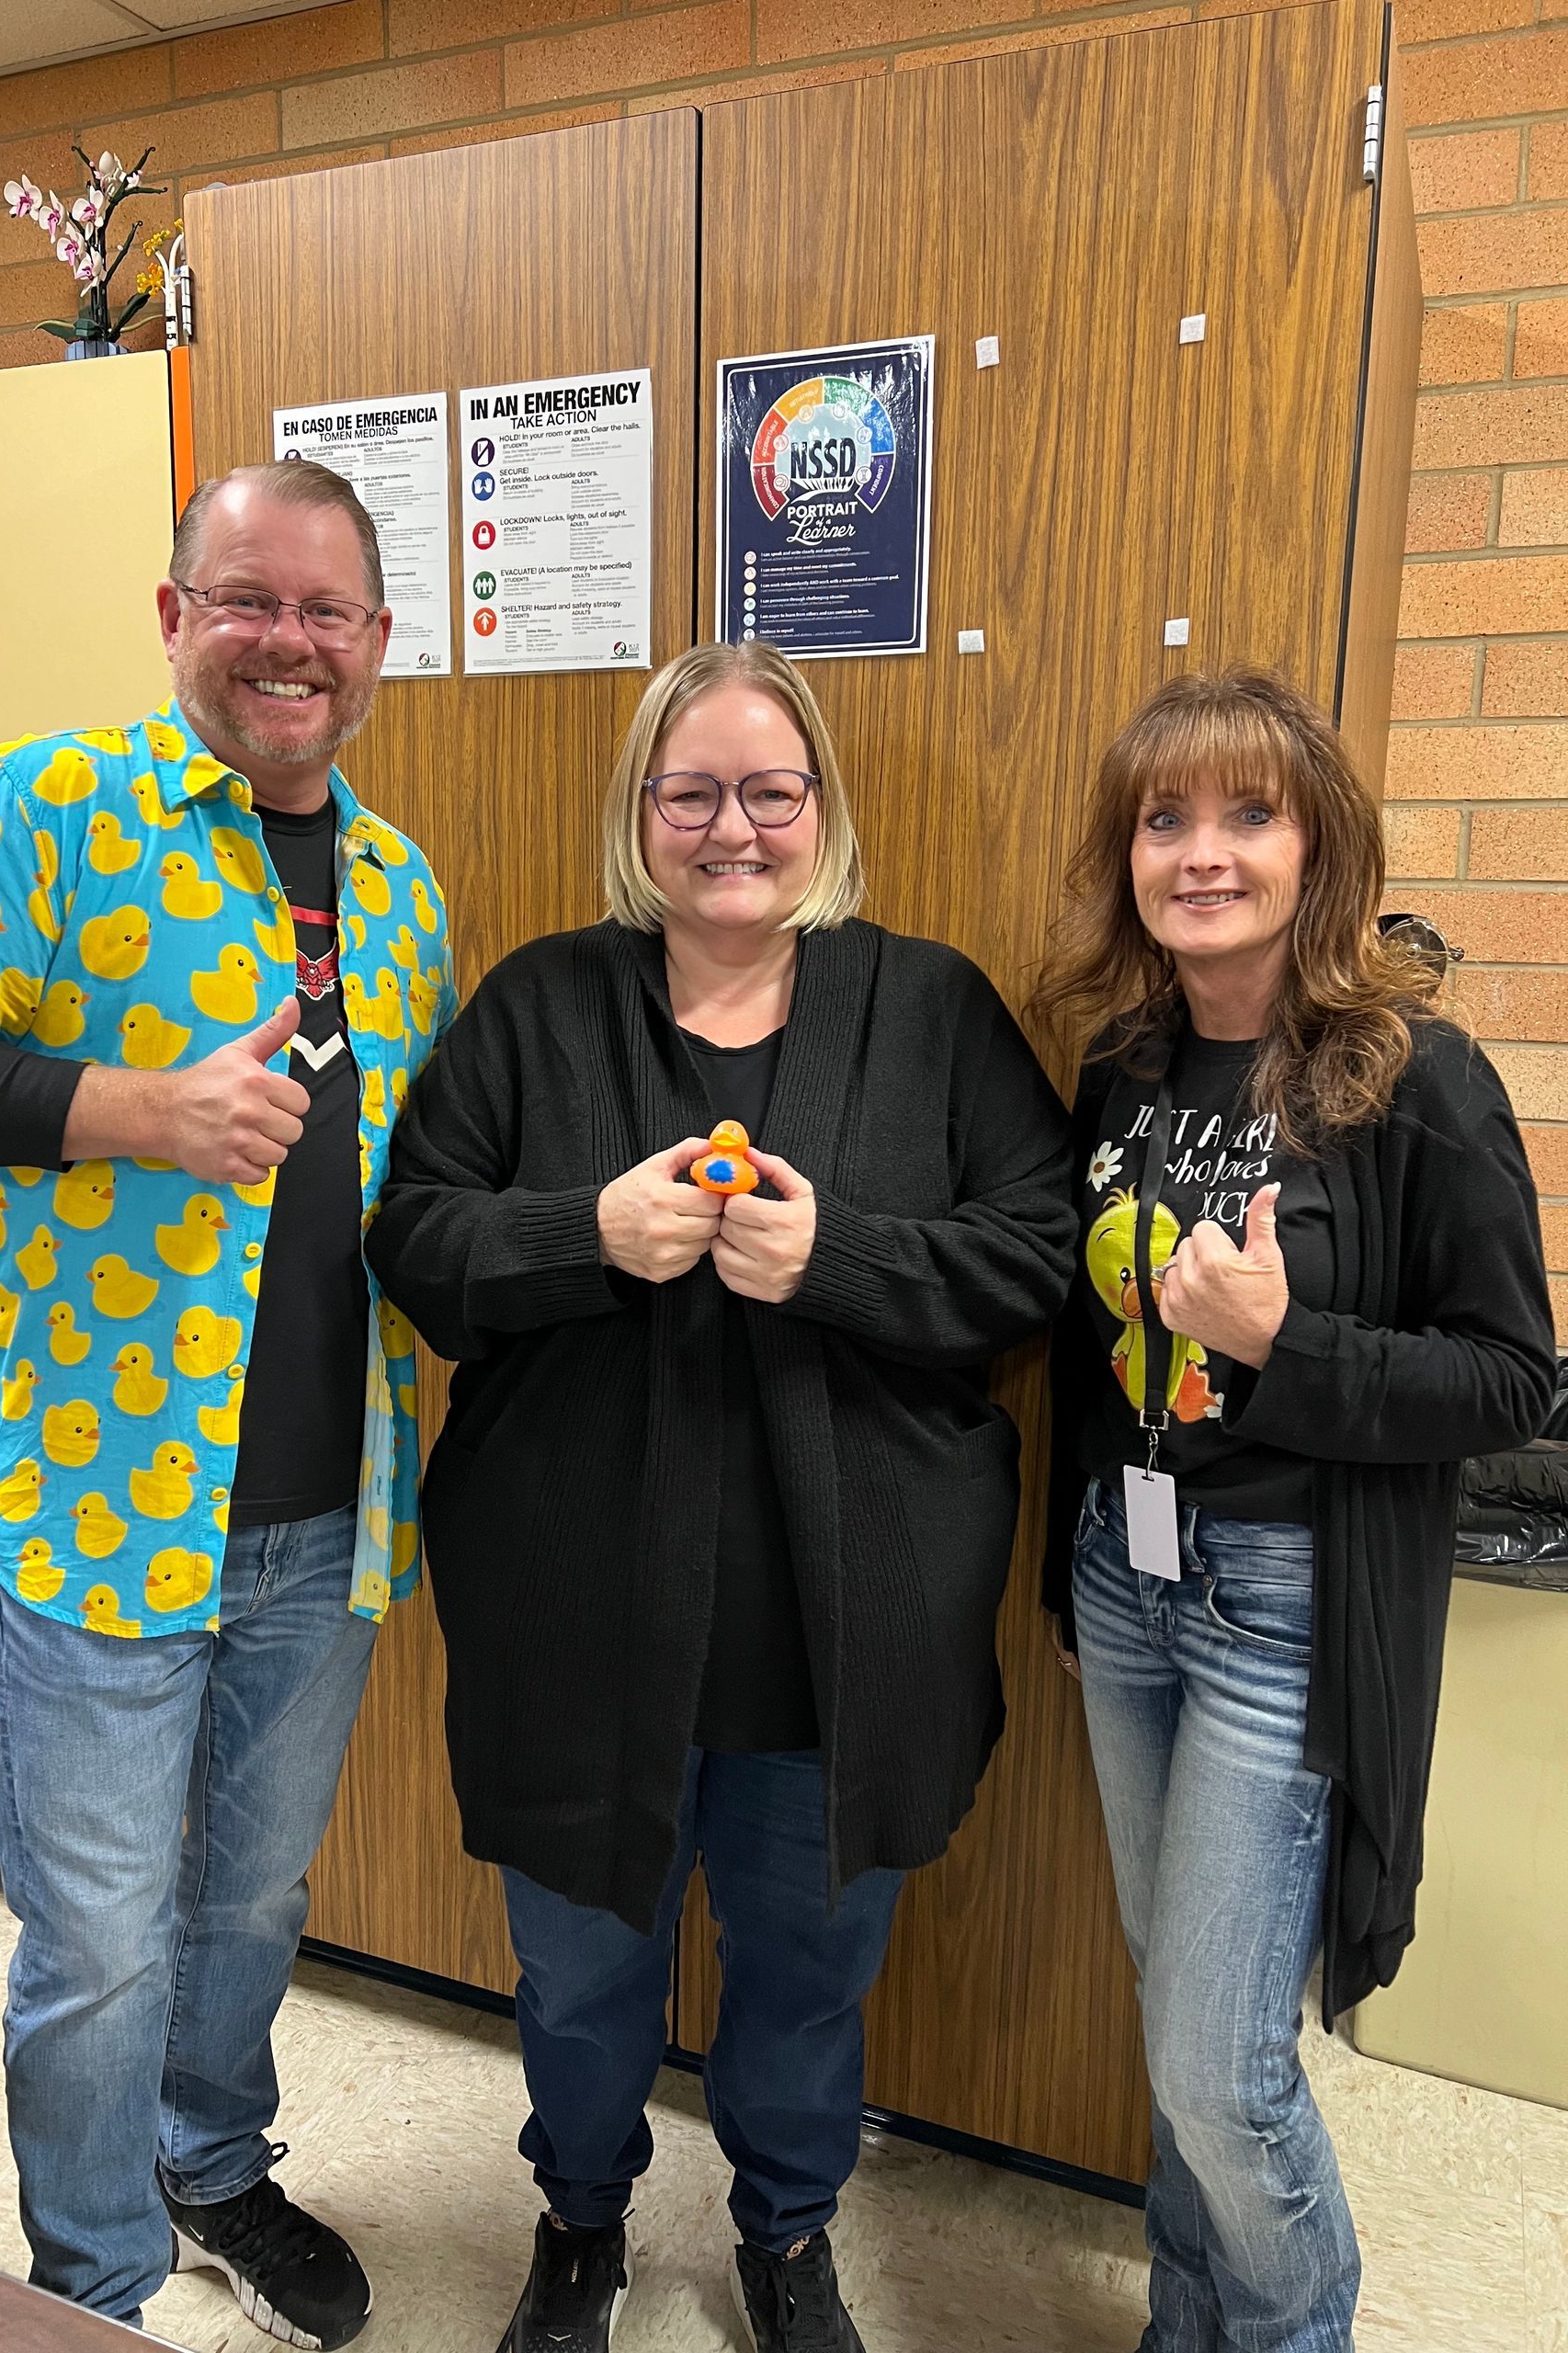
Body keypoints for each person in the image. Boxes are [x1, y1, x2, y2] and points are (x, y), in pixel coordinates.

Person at [0, 461, 455, 2347]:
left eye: (328, 611)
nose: (289, 641)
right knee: (93, 1942)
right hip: (109, 1502)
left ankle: (213, 2157)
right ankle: (90, 2285)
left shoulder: (400, 891)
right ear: (177, 614)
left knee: (252, 1903)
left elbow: (403, 1197)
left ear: (377, 647)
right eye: (249, 597)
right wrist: (129, 1107)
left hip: (327, 1507)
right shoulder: (52, 812)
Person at [369, 640, 1074, 2353]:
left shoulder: (931, 1008)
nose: (732, 828)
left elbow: (1038, 1254)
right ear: (642, 813)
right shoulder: (542, 1004)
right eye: (692, 793)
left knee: (808, 1977)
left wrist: (839, 1257)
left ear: (819, 809)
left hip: (844, 1637)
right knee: (585, 1979)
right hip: (585, 1621)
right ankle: (581, 2220)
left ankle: (789, 2232)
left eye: (771, 791)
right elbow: (415, 1234)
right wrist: (584, 1237)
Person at [1033, 668, 1556, 2353]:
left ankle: (1293, 2331)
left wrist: (1285, 1346)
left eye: (1247, 813)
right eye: (1163, 819)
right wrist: (1072, 1568)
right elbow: (1088, 1342)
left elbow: (1509, 1381)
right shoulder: (1124, 1065)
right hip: (1131, 1579)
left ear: (1317, 842)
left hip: (1290, 1599)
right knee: (1172, 2005)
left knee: (1216, 2056)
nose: (1201, 854)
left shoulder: (1418, 1079)